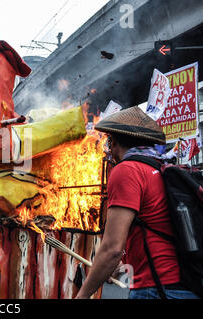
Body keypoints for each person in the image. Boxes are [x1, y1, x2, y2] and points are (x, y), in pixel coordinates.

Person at [75, 106, 199, 299]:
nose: (109, 151)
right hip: (184, 285)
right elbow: (151, 226)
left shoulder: (127, 170)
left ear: (114, 141)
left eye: (109, 143)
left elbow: (112, 248)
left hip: (157, 289)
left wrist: (82, 295)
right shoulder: (158, 168)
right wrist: (119, 265)